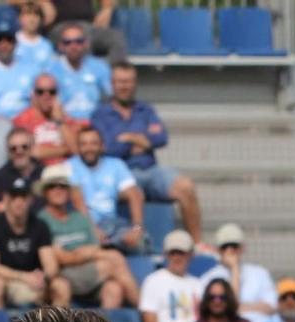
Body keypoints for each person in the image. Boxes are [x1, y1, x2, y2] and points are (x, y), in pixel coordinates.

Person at [90, 63, 201, 244]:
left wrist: (129, 138)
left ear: (135, 83)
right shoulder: (100, 114)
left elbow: (162, 138)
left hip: (150, 169)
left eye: (129, 81)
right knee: (134, 193)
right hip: (120, 173)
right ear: (112, 84)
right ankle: (138, 236)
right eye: (120, 82)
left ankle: (197, 244)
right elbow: (107, 148)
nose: (124, 86)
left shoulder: (145, 110)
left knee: (186, 187)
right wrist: (140, 140)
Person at [35, 164, 135, 308]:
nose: (58, 190)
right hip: (63, 275)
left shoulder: (81, 218)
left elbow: (95, 247)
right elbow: (63, 258)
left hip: (89, 271)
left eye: (62, 186)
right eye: (52, 186)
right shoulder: (41, 221)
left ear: (69, 191)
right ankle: (144, 311)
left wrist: (82, 253)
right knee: (114, 258)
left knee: (114, 288)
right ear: (45, 192)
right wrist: (89, 252)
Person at [0, 185, 67, 309]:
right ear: (6, 199)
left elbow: (51, 265)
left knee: (61, 286)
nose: (19, 202)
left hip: (33, 280)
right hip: (3, 278)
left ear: (30, 200)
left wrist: (43, 277)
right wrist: (23, 277)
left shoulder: (40, 225)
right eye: (14, 197)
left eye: (23, 197)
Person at [65, 126, 142, 252]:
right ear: (78, 148)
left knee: (139, 242)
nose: (89, 148)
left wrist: (137, 228)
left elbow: (135, 195)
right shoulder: (70, 166)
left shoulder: (116, 165)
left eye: (93, 143)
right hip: (83, 226)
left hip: (113, 224)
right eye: (84, 144)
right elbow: (77, 200)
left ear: (102, 146)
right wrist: (92, 229)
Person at [137, 229, 200, 322]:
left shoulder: (197, 284)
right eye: (173, 253)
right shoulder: (153, 281)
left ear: (191, 255)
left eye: (181, 253)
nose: (177, 257)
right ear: (166, 254)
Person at [200, 224, 275, 322]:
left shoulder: (260, 273)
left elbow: (271, 307)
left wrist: (240, 308)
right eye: (225, 247)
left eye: (234, 246)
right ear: (218, 250)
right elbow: (228, 311)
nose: (230, 250)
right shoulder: (208, 278)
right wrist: (234, 269)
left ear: (242, 248)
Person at [44, 21, 109, 119]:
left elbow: (112, 96)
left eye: (78, 41)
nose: (73, 46)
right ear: (60, 46)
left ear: (86, 44)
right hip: (64, 123)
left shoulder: (100, 67)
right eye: (67, 42)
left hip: (95, 124)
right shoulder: (51, 70)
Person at [13, 71, 79, 167]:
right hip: (39, 172)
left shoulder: (65, 118)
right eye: (40, 92)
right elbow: (34, 152)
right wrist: (66, 149)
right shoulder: (22, 120)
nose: (46, 96)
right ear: (33, 94)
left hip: (67, 170)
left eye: (52, 92)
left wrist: (60, 122)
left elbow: (77, 150)